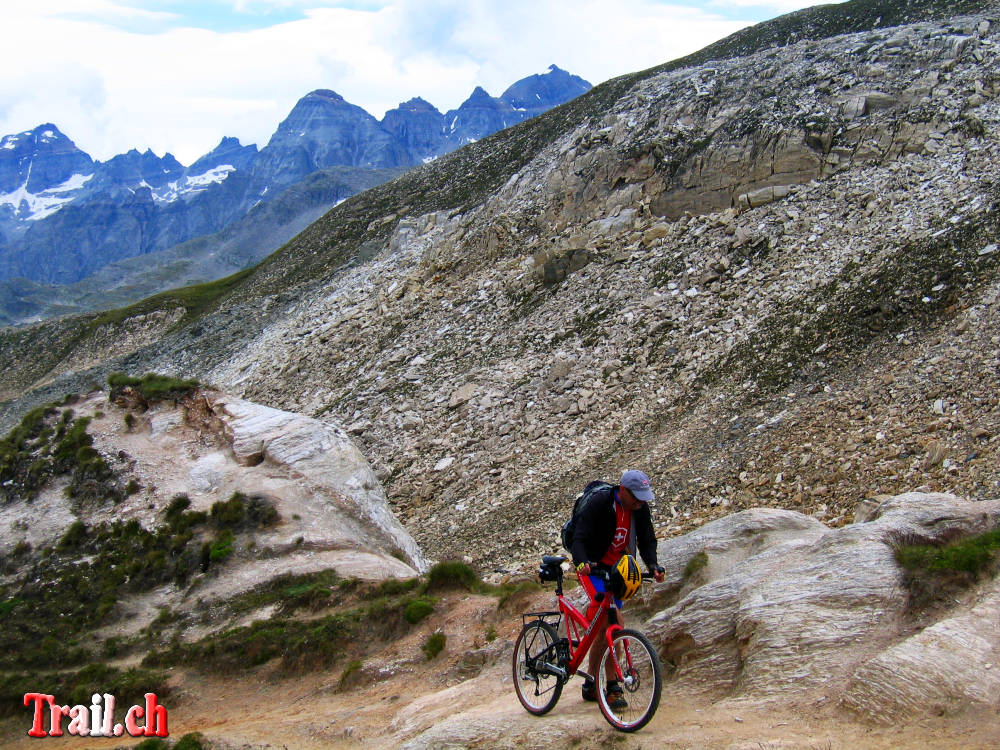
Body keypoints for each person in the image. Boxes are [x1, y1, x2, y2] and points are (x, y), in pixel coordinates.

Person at [570, 469, 665, 708]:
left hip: (617, 571)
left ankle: (591, 683)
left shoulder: (639, 508)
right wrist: (582, 562)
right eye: (636, 497)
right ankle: (612, 687)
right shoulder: (601, 503)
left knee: (605, 630)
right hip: (593, 567)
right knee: (614, 623)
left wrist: (652, 564)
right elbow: (578, 537)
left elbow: (647, 538)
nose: (640, 502)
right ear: (622, 490)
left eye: (643, 497)